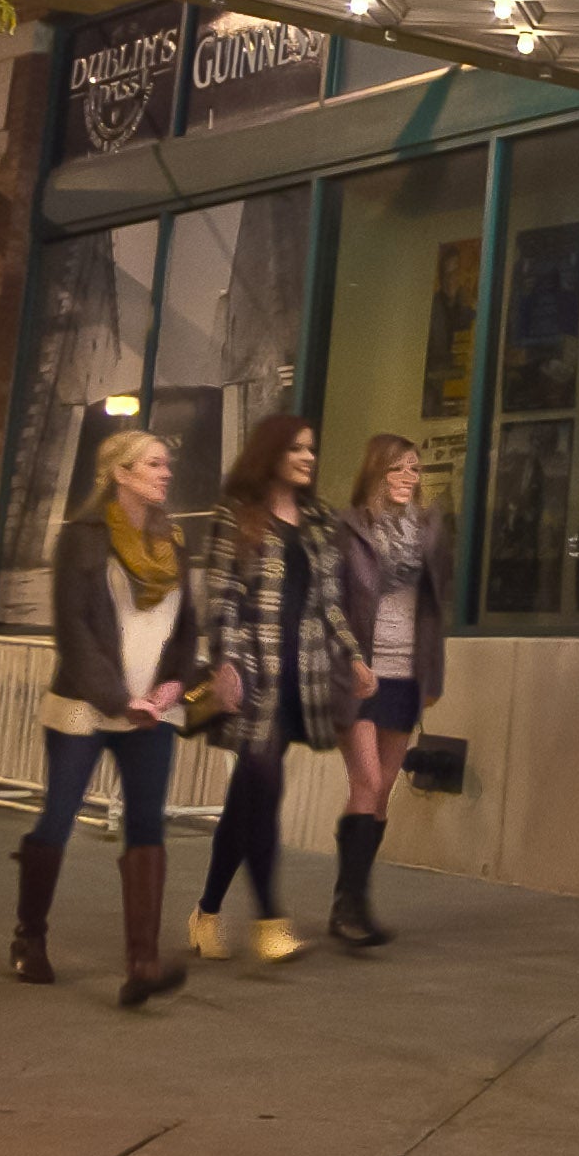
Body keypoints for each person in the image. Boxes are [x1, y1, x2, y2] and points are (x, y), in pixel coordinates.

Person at [24, 427, 201, 1007]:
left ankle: (142, 964)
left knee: (147, 825)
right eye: (153, 464)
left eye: (166, 464)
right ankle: (30, 935)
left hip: (152, 709)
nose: (166, 473)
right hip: (85, 703)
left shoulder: (174, 540)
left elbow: (186, 627)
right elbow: (73, 629)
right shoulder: (82, 538)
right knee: (59, 817)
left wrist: (174, 684)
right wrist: (118, 698)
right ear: (121, 473)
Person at [186, 411, 366, 964]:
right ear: (272, 453)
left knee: (249, 797)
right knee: (263, 786)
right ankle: (268, 920)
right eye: (297, 449)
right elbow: (221, 599)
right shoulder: (235, 513)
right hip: (252, 672)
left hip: (300, 676)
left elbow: (329, 602)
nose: (309, 458)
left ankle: (207, 912)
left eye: (312, 449)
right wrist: (227, 664)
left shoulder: (318, 520)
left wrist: (354, 655)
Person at [334, 433, 451, 949]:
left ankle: (352, 900)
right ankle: (349, 908)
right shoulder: (348, 528)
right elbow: (331, 602)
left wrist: (433, 676)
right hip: (359, 669)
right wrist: (346, 660)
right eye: (397, 468)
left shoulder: (427, 532)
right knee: (367, 781)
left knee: (383, 790)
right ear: (376, 472)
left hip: (406, 670)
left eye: (415, 469)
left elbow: (437, 609)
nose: (408, 478)